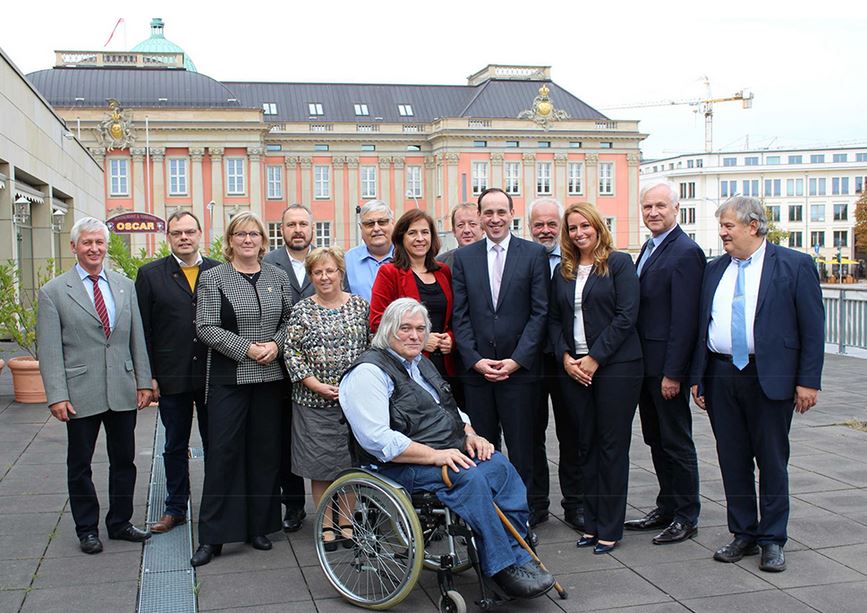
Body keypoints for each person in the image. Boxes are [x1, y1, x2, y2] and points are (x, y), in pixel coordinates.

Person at [339, 298, 555, 600]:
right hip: (400, 464)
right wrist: (436, 455)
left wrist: (470, 434)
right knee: (470, 478)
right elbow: (377, 440)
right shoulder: (368, 373)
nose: (415, 336)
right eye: (406, 329)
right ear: (388, 330)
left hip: (445, 450)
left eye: (420, 329)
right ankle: (501, 566)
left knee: (499, 466)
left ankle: (519, 552)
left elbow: (449, 409)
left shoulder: (421, 363)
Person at [691, 196, 824, 573]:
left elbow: (813, 330)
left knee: (771, 459)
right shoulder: (715, 269)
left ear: (753, 226)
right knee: (732, 459)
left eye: (728, 226)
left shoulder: (795, 266)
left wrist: (808, 382)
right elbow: (705, 325)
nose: (722, 233)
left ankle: (773, 539)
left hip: (770, 377)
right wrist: (699, 378)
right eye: (720, 226)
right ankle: (744, 533)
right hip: (720, 376)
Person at [37, 217, 153, 554]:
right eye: (87, 243)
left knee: (124, 461)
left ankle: (120, 522)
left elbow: (137, 339)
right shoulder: (54, 292)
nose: (94, 249)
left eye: (99, 243)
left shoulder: (123, 285)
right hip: (79, 392)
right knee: (80, 465)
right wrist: (56, 395)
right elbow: (49, 350)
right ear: (73, 247)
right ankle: (86, 529)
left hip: (121, 388)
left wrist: (143, 381)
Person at [191, 211, 293, 567]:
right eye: (241, 234)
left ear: (264, 241)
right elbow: (205, 326)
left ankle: (259, 527)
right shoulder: (213, 278)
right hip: (228, 380)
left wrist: (276, 346)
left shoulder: (278, 277)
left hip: (269, 380)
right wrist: (248, 349)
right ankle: (213, 536)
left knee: (265, 455)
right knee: (223, 455)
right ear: (230, 240)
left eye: (254, 234)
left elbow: (288, 321)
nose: (248, 240)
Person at [548, 202, 642, 555]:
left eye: (585, 225)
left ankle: (611, 528)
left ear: (598, 227)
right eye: (572, 228)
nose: (579, 233)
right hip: (575, 369)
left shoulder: (618, 263)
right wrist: (567, 357)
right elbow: (554, 320)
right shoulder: (565, 270)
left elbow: (626, 315)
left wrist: (595, 358)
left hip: (616, 368)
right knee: (584, 446)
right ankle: (592, 523)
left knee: (611, 447)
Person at [624, 183, 705, 545]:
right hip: (646, 367)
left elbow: (685, 319)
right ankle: (667, 506)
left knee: (676, 441)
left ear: (676, 207)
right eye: (647, 206)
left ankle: (687, 515)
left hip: (666, 370)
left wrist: (675, 373)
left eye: (660, 206)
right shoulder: (650, 247)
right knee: (656, 439)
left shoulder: (686, 251)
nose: (653, 212)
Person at [452, 188, 549, 489]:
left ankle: (529, 510)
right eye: (488, 213)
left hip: (519, 373)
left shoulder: (534, 254)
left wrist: (517, 360)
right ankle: (492, 509)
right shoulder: (464, 258)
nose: (495, 219)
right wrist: (475, 360)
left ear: (511, 215)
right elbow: (461, 314)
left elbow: (540, 313)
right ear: (479, 217)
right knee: (483, 448)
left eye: (501, 212)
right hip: (479, 374)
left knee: (524, 447)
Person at [135, 210, 219, 534]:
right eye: (176, 233)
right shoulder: (151, 274)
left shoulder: (218, 271)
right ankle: (175, 507)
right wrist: (148, 376)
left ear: (200, 233)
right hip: (172, 375)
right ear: (168, 238)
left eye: (189, 231)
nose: (184, 237)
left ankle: (215, 505)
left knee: (217, 443)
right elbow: (143, 330)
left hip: (214, 374)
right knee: (174, 445)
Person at [284, 246, 369, 549]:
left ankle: (346, 520)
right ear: (311, 276)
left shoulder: (360, 306)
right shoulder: (302, 309)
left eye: (330, 270)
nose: (324, 276)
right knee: (319, 467)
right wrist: (313, 383)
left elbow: (372, 349)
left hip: (353, 404)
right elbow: (290, 352)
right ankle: (326, 523)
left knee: (350, 465)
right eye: (317, 272)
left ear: (341, 273)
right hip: (313, 402)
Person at [526, 197, 583, 530]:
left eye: (551, 224)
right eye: (538, 224)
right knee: (530, 435)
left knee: (572, 434)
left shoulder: (577, 260)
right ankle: (536, 504)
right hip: (531, 361)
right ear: (529, 226)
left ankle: (575, 503)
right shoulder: (525, 258)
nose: (545, 230)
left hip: (568, 360)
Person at [262, 204, 314, 532]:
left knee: (321, 434)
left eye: (303, 224)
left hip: (321, 366)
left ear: (311, 229)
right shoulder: (268, 264)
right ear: (282, 230)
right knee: (282, 438)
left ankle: (338, 500)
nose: (298, 229)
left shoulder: (326, 263)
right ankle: (293, 505)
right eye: (291, 224)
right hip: (279, 366)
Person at [370, 209, 454, 378]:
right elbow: (377, 321)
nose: (420, 239)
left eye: (425, 232)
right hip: (409, 365)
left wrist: (451, 338)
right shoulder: (389, 272)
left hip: (445, 364)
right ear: (401, 238)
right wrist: (420, 340)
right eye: (412, 233)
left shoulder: (443, 271)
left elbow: (453, 317)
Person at [344, 200, 394, 301]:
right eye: (370, 224)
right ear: (361, 228)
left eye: (382, 222)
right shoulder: (348, 260)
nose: (376, 228)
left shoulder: (407, 256)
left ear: (392, 223)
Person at [436, 203, 483, 268]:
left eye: (472, 224)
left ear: (483, 229)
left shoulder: (494, 260)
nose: (467, 230)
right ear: (454, 231)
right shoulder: (441, 264)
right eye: (460, 225)